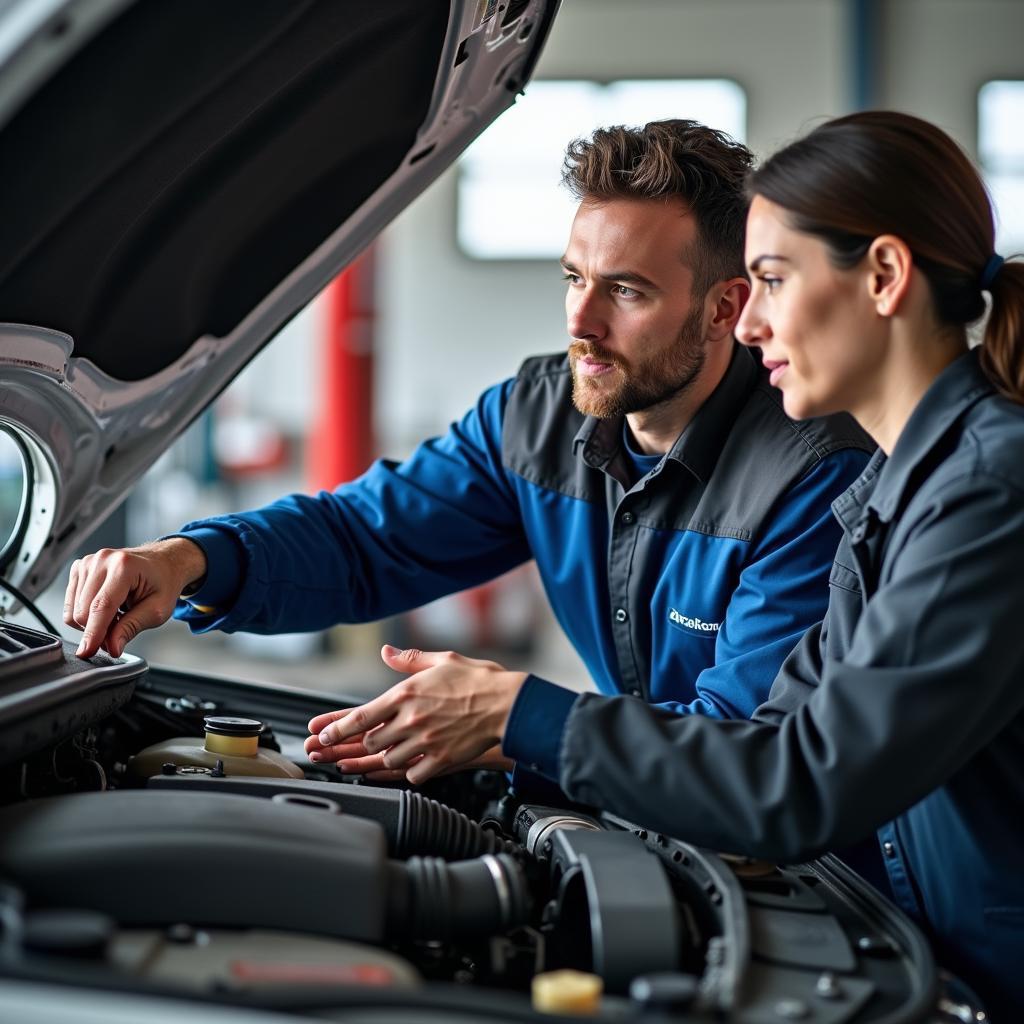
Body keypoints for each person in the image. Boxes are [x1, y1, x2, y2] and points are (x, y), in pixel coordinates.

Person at [323, 111, 1023, 1014]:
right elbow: (764, 746)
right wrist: (495, 746)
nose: (753, 320)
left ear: (884, 276)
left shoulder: (986, 493)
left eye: (771, 280)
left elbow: (800, 786)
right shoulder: (897, 493)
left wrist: (522, 716)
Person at [65, 120, 869, 790]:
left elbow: (747, 753)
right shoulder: (533, 418)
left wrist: (516, 724)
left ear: (724, 307)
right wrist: (188, 562)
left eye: (626, 291)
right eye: (573, 277)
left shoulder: (812, 479)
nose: (581, 321)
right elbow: (364, 538)